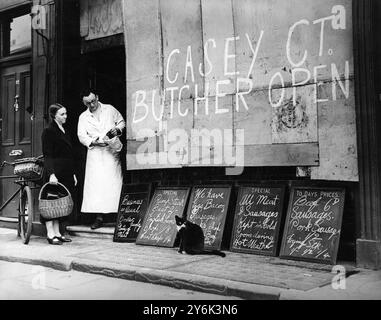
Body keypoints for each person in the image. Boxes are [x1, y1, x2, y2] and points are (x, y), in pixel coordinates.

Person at [77, 90, 125, 229]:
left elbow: (121, 122)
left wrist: (117, 130)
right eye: (88, 103)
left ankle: (118, 217)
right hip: (96, 153)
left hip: (111, 151)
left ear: (97, 97)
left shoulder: (109, 109)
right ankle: (99, 217)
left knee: (114, 183)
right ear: (84, 103)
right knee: (97, 186)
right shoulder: (83, 117)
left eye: (93, 101)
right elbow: (81, 135)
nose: (91, 105)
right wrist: (93, 142)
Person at [41, 104, 77, 245]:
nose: (65, 116)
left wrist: (73, 173)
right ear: (54, 115)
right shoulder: (48, 131)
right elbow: (47, 155)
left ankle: (57, 232)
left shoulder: (65, 130)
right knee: (51, 202)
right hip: (55, 171)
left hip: (66, 171)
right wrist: (51, 174)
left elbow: (69, 154)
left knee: (60, 202)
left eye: (65, 113)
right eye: (62, 114)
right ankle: (50, 233)